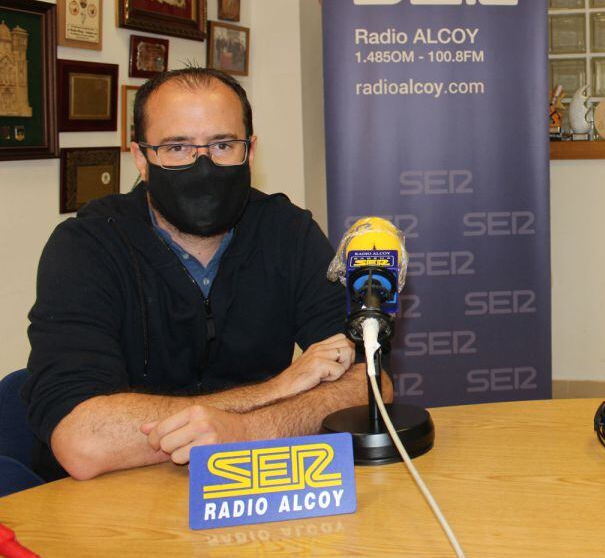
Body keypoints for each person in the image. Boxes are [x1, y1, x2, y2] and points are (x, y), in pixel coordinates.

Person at [24, 68, 379, 481]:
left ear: (250, 151)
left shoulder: (287, 232)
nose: (204, 166)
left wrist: (246, 432)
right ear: (141, 158)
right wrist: (278, 390)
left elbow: (369, 383)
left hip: (246, 490)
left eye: (223, 144)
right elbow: (84, 440)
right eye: (177, 148)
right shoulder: (87, 247)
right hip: (110, 509)